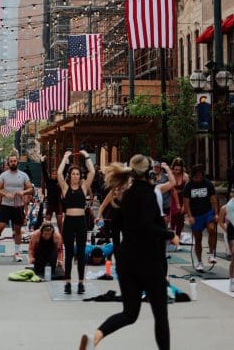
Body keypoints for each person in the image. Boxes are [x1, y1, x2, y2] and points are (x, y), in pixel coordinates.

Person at [79, 155, 179, 350]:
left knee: (129, 313)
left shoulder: (126, 196)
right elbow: (147, 226)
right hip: (148, 260)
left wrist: (117, 255)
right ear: (149, 172)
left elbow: (115, 228)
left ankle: (95, 337)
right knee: (160, 315)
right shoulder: (148, 194)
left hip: (127, 261)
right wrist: (169, 234)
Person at [57, 149, 96, 294]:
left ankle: (80, 282)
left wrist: (86, 156)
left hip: (80, 222)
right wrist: (65, 157)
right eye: (73, 174)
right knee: (68, 254)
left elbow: (92, 172)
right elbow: (60, 174)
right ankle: (67, 282)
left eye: (77, 174)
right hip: (68, 222)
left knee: (80, 253)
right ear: (70, 176)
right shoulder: (65, 187)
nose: (75, 176)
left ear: (80, 176)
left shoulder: (84, 187)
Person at [0, 151, 34, 262]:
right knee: (0, 228)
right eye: (11, 161)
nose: (13, 163)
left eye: (14, 161)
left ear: (17, 162)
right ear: (8, 163)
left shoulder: (23, 175)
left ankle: (17, 253)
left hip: (18, 206)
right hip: (6, 205)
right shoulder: (3, 175)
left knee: (17, 230)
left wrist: (23, 192)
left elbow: (31, 189)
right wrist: (5, 194)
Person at [183, 164, 219, 271]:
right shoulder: (188, 186)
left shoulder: (208, 184)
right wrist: (189, 216)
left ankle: (211, 253)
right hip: (195, 215)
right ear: (193, 175)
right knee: (198, 239)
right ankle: (199, 261)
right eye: (196, 176)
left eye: (200, 175)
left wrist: (216, 213)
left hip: (207, 212)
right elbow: (186, 202)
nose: (198, 178)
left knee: (212, 230)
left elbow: (213, 199)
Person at [168, 159, 188, 238]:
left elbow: (186, 192)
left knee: (180, 216)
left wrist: (183, 205)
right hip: (172, 197)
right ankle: (172, 236)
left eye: (179, 170)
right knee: (174, 216)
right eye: (175, 169)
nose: (177, 171)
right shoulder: (170, 175)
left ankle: (178, 237)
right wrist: (177, 204)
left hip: (183, 197)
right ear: (173, 168)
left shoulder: (185, 176)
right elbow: (173, 191)